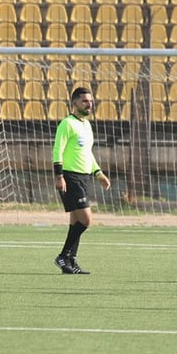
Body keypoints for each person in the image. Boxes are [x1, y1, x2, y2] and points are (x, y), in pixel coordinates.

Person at [52, 86, 110, 275]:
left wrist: (98, 173)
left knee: (75, 222)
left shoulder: (86, 125)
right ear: (74, 102)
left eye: (91, 101)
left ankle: (71, 261)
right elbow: (57, 150)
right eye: (85, 101)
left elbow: (87, 153)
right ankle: (63, 256)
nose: (89, 104)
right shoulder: (67, 124)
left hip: (84, 177)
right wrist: (59, 176)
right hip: (70, 177)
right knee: (86, 220)